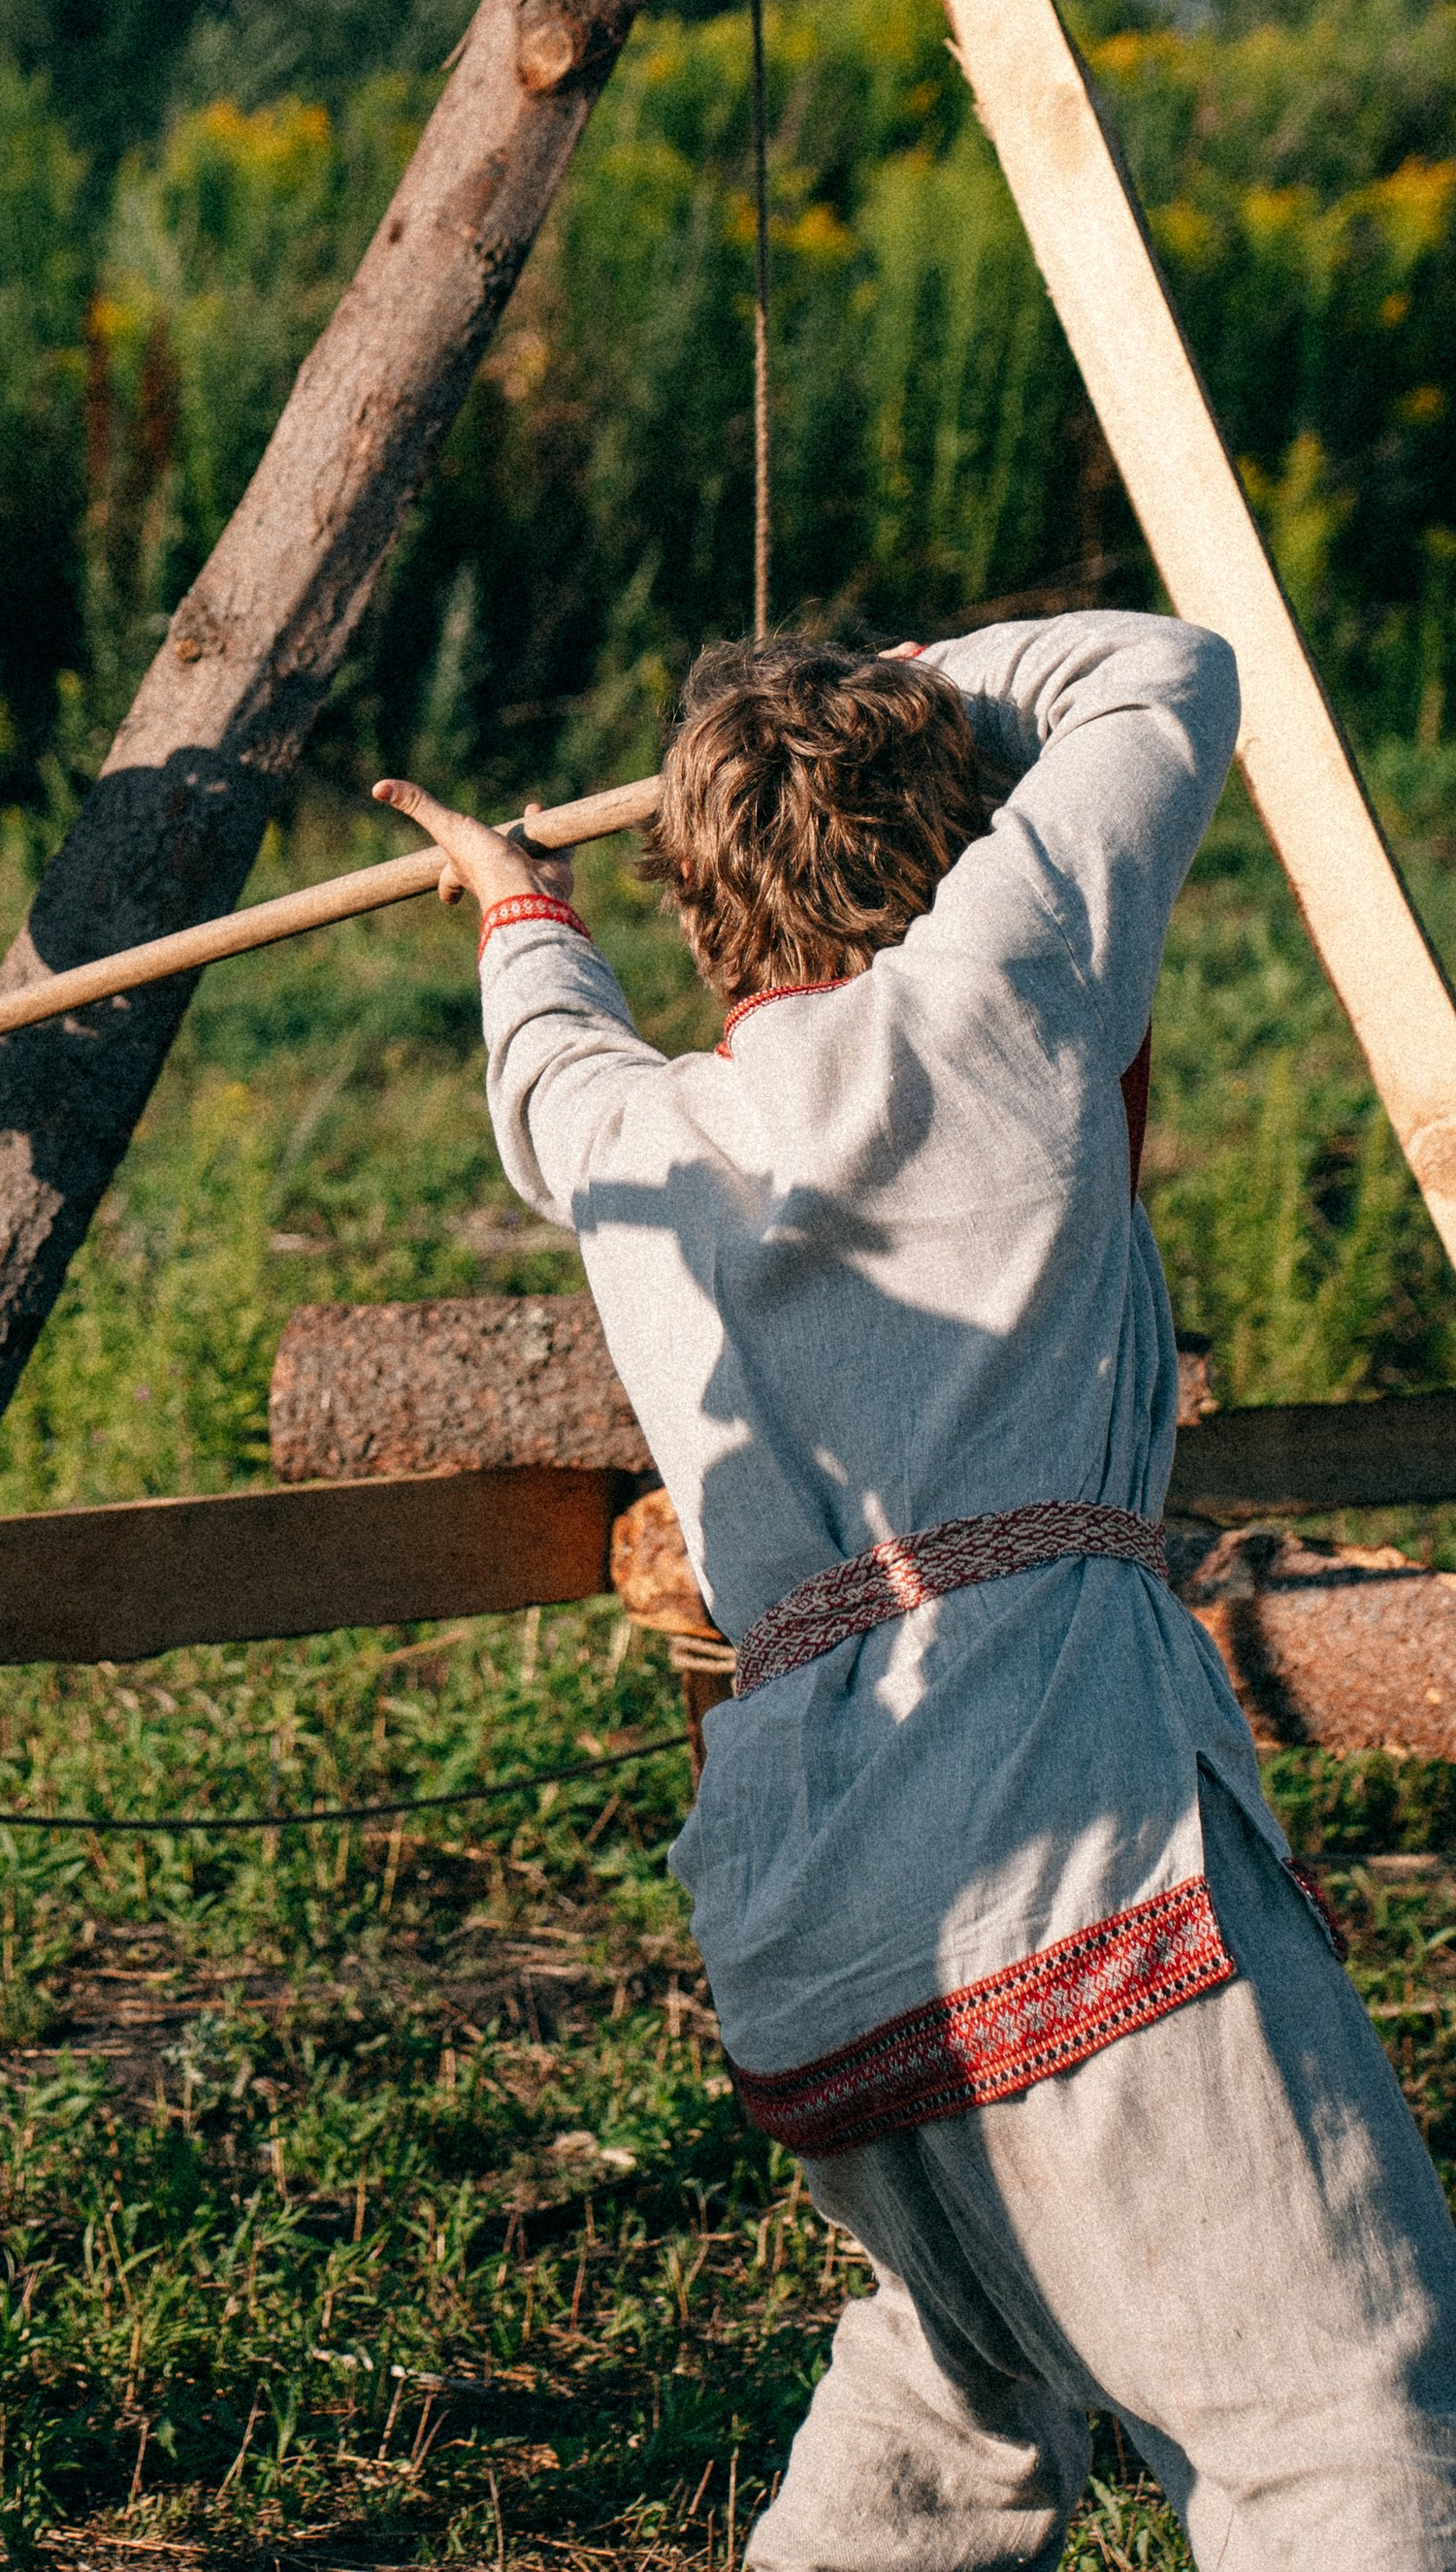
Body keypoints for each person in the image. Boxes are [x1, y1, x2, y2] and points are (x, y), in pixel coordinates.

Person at [378, 614, 1456, 2570]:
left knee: (954, 2416)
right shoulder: (992, 994)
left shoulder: (635, 1135)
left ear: (697, 906)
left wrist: (516, 898)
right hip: (1060, 1851)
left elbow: (545, 1056)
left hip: (814, 1919)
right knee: (1346, 2433)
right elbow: (1163, 672)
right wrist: (910, 675)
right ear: (952, 839)